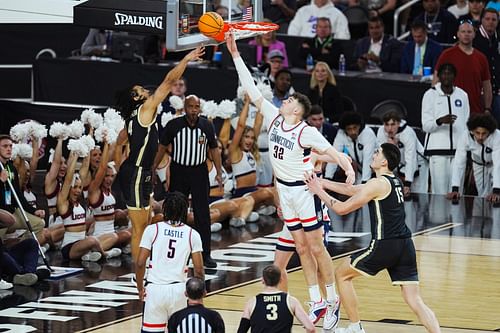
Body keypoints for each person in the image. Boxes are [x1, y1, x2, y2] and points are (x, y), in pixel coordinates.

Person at [226, 32, 355, 330]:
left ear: (296, 110)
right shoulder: (274, 117)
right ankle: (316, 300)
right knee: (300, 247)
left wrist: (347, 168)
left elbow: (332, 151)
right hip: (285, 191)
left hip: (303, 191)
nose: (283, 100)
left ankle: (332, 299)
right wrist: (235, 54)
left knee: (316, 247)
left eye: (289, 100)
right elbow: (252, 91)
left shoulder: (305, 131)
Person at [304, 143, 442, 333]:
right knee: (415, 300)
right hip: (405, 245)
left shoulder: (377, 184)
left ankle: (355, 327)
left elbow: (342, 209)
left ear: (384, 161)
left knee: (342, 275)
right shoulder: (393, 181)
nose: (374, 154)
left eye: (377, 152)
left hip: (385, 244)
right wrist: (324, 183)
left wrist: (318, 191)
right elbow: (353, 190)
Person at [114, 47, 204, 261]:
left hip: (139, 171)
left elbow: (119, 142)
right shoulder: (145, 110)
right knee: (139, 229)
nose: (146, 91)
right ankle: (138, 274)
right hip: (136, 173)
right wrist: (186, 59)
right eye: (141, 90)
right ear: (136, 97)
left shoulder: (134, 117)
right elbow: (168, 81)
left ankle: (143, 267)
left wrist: (120, 166)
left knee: (145, 224)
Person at [153, 95, 222, 268]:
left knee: (202, 214)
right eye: (190, 106)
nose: (193, 110)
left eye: (196, 106)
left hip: (199, 171)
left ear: (200, 108)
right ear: (184, 107)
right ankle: (177, 253)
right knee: (176, 212)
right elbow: (162, 147)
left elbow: (214, 149)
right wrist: (153, 168)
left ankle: (205, 254)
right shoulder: (174, 125)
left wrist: (219, 172)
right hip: (179, 171)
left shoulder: (206, 125)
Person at [136, 191, 205, 333]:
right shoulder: (192, 234)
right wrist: (199, 292)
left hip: (155, 290)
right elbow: (198, 270)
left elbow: (140, 263)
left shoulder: (152, 229)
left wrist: (140, 287)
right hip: (179, 291)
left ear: (165, 209)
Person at [423, 63, 470, 194]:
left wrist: (467, 148)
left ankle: (457, 216)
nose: (447, 76)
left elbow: (467, 124)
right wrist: (439, 121)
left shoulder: (463, 95)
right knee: (440, 192)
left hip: (458, 151)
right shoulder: (430, 95)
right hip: (437, 150)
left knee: (457, 191)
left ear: (455, 76)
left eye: (450, 73)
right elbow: (425, 125)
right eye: (444, 73)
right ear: (438, 76)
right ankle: (438, 215)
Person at [434, 20, 492, 115]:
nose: (466, 34)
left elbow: (486, 85)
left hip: (475, 110)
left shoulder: (481, 58)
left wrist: (487, 108)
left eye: (469, 32)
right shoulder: (447, 55)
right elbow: (436, 81)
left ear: (474, 34)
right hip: (451, 109)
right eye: (463, 32)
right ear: (458, 34)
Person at [237, 265, 315, 333]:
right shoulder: (291, 301)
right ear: (280, 280)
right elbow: (310, 328)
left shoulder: (252, 302)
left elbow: (241, 331)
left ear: (262, 280)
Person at [0, 135, 45, 243]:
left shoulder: (11, 168)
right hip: (1, 215)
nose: (9, 149)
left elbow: (18, 195)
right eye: (5, 146)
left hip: (13, 211)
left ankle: (17, 246)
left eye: (10, 146)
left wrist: (33, 211)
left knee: (39, 223)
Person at [447, 113, 500, 201]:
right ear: (472, 131)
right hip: (478, 164)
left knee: (496, 196)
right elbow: (459, 162)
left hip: (494, 164)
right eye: (477, 133)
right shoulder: (465, 136)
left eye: (484, 133)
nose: (480, 137)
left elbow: (498, 163)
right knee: (482, 195)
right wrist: (455, 188)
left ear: (490, 132)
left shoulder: (497, 136)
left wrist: (497, 191)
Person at [377, 111, 429, 194]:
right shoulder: (381, 131)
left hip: (419, 163)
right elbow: (382, 156)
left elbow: (411, 158)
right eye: (387, 125)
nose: (390, 128)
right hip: (399, 163)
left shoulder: (408, 133)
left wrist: (407, 183)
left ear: (398, 123)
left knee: (418, 193)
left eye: (393, 124)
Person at [327, 112, 377, 184]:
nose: (353, 132)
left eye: (355, 128)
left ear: (360, 126)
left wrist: (365, 182)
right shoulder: (341, 134)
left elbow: (367, 159)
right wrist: (328, 178)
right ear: (344, 129)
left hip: (375, 170)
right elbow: (334, 155)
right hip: (360, 170)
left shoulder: (368, 134)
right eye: (349, 129)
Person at [473, 8, 500, 122]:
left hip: (497, 92)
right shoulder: (473, 38)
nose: (490, 22)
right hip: (479, 92)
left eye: (494, 19)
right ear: (481, 20)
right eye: (487, 19)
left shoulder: (498, 39)